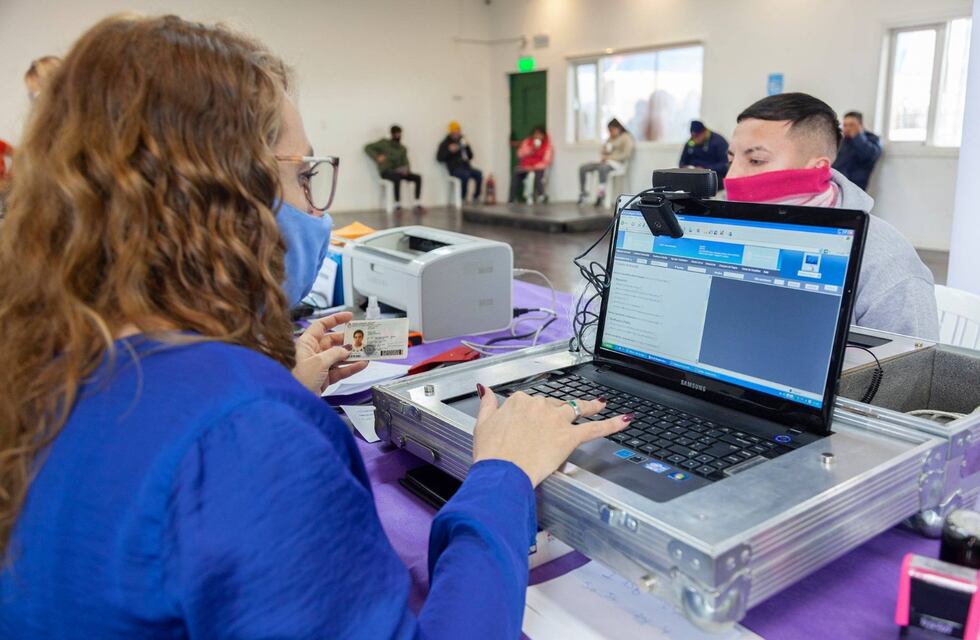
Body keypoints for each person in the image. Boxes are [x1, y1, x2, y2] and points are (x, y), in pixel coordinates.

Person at [0, 15, 630, 639]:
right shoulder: (244, 429)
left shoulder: (48, 358)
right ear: (226, 195)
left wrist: (285, 391)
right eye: (303, 175)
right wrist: (503, 476)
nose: (314, 207)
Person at [724, 92, 939, 340]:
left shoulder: (885, 262)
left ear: (816, 168)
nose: (732, 176)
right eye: (731, 159)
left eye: (756, 160)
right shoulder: (729, 230)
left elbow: (911, 372)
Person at [365, 125, 424, 213]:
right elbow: (367, 147)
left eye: (399, 134)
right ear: (392, 134)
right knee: (397, 178)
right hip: (386, 172)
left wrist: (406, 169)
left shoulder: (402, 148)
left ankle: (417, 203)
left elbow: (406, 162)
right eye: (396, 134)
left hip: (399, 171)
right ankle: (397, 205)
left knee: (417, 177)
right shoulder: (384, 143)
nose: (398, 136)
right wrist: (376, 157)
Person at [578, 118, 635, 206]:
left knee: (602, 168)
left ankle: (601, 193)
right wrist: (604, 152)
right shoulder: (610, 139)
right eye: (609, 130)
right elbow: (603, 152)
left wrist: (610, 157)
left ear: (618, 128)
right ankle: (583, 193)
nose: (610, 132)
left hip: (618, 164)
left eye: (612, 130)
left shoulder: (626, 137)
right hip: (605, 161)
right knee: (583, 168)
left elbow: (626, 154)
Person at [832, 111, 882, 191]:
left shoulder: (872, 139)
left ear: (861, 125)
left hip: (857, 187)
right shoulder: (842, 142)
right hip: (837, 186)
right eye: (845, 125)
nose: (847, 128)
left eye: (851, 125)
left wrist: (857, 136)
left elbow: (869, 156)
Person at [437, 121, 483, 202]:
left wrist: (467, 147)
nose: (457, 134)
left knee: (478, 174)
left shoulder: (463, 141)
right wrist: (449, 151)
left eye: (458, 132)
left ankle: (476, 196)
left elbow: (471, 156)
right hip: (454, 169)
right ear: (451, 133)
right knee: (465, 175)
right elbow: (439, 158)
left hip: (466, 166)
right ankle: (462, 197)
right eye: (455, 133)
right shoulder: (445, 143)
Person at [509, 125, 553, 204]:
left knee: (538, 176)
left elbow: (546, 161)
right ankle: (512, 198)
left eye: (540, 134)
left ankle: (541, 196)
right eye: (536, 134)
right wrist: (530, 149)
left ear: (543, 136)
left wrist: (534, 167)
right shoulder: (527, 142)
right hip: (525, 167)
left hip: (537, 168)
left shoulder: (547, 146)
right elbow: (519, 154)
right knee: (516, 173)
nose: (537, 136)